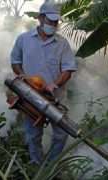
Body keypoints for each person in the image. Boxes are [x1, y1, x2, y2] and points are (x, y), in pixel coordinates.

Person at [10, 2, 77, 165]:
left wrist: (55, 84)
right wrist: (23, 76)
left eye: (56, 22)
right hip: (31, 96)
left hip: (56, 97)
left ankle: (52, 164)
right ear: (40, 18)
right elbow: (15, 61)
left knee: (62, 133)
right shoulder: (24, 39)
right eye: (50, 21)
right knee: (33, 134)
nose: (53, 25)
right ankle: (37, 165)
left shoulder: (62, 44)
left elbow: (68, 70)